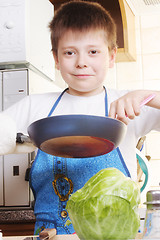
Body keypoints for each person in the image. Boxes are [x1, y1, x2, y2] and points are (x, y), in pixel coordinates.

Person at [0, 0, 160, 235]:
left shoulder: (129, 105)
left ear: (112, 56)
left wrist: (150, 96)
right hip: (50, 236)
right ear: (56, 58)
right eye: (69, 52)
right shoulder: (35, 105)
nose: (81, 61)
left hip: (113, 236)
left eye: (93, 51)